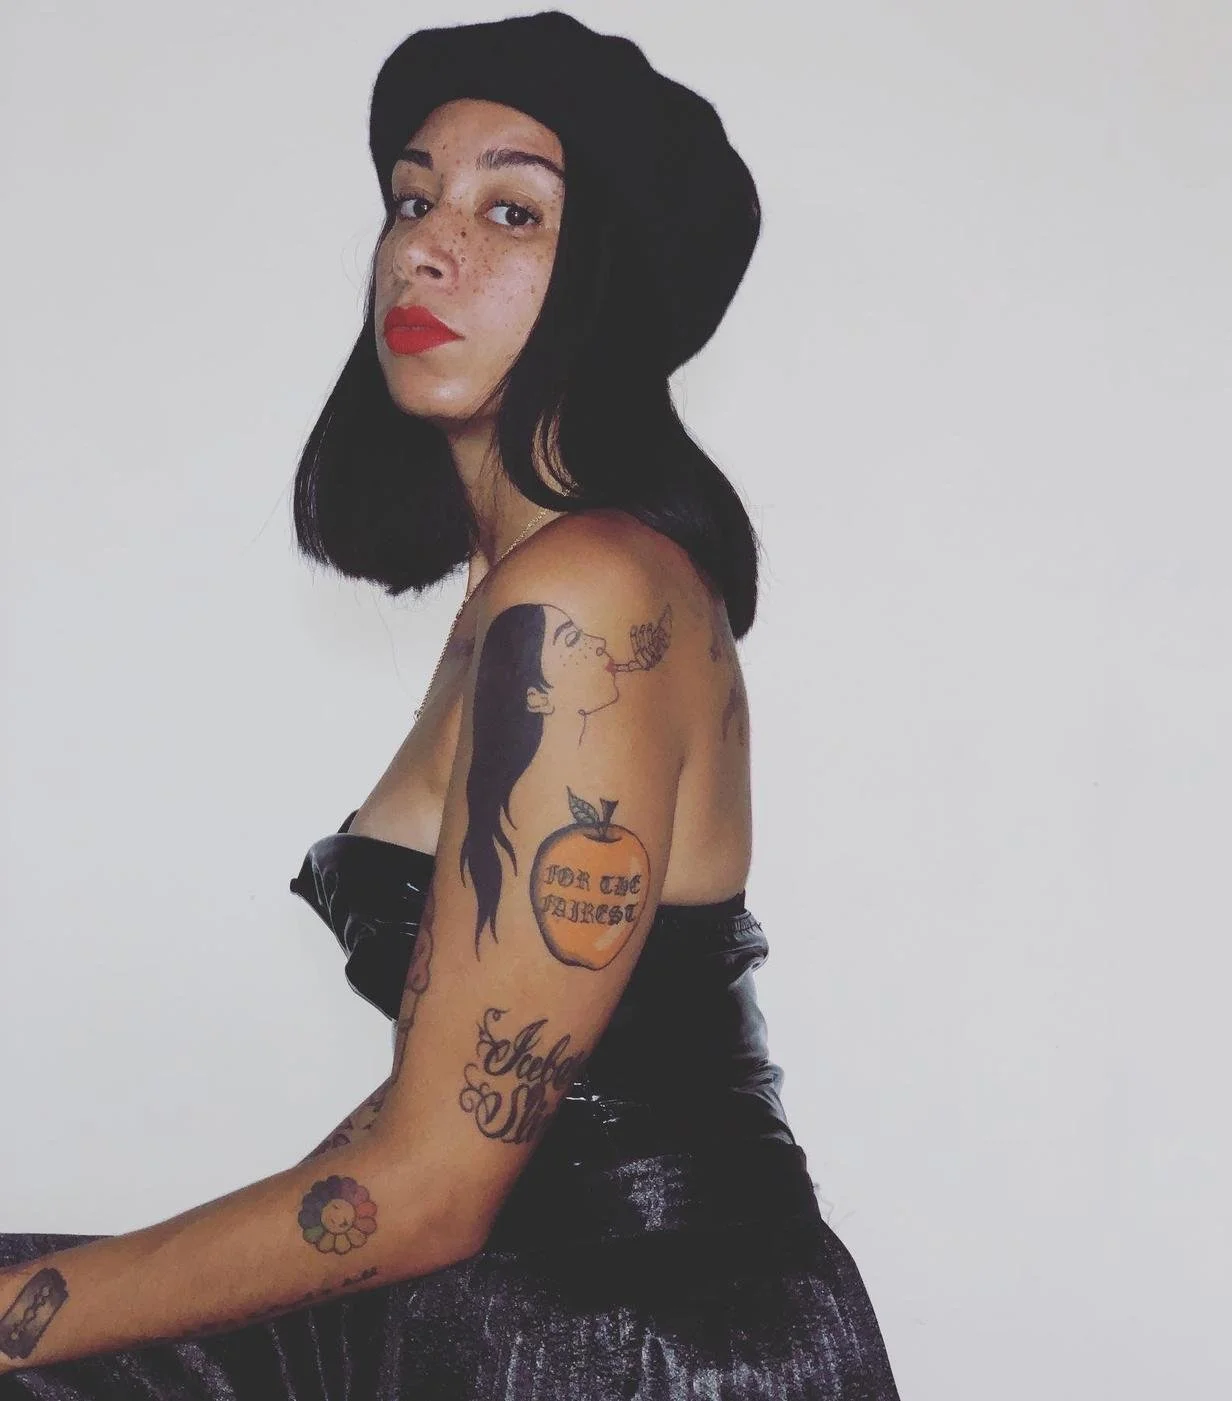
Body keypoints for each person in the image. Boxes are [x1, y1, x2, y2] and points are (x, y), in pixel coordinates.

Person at [0, 11, 903, 1399]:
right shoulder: (530, 591)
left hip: (629, 1339)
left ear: (607, 282)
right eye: (413, 199)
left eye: (512, 211)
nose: (424, 248)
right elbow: (458, 1098)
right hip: (534, 1302)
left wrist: (21, 1315)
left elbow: (426, 1191)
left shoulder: (585, 601)